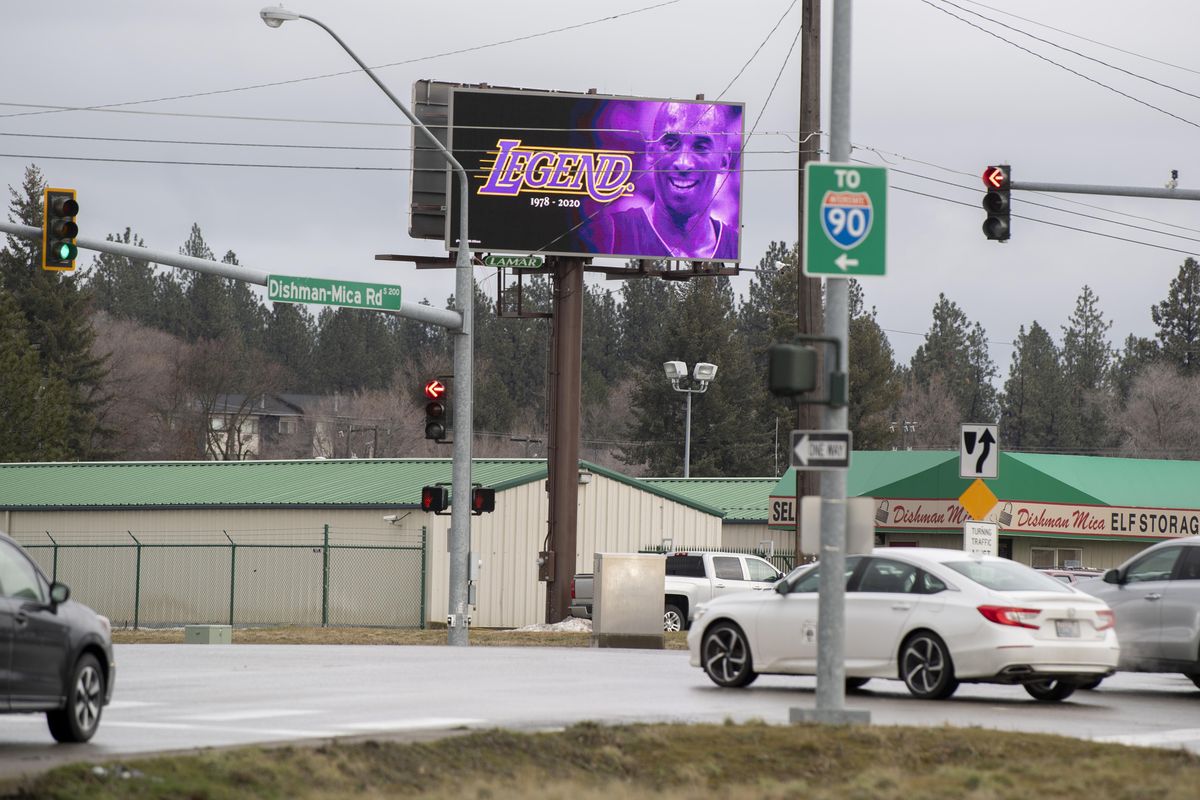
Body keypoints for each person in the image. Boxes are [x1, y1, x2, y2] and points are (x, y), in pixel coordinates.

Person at [603, 102, 739, 260]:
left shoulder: (735, 248)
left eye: (701, 146)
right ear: (650, 152)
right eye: (671, 144)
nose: (683, 162)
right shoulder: (610, 234)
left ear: (724, 161)